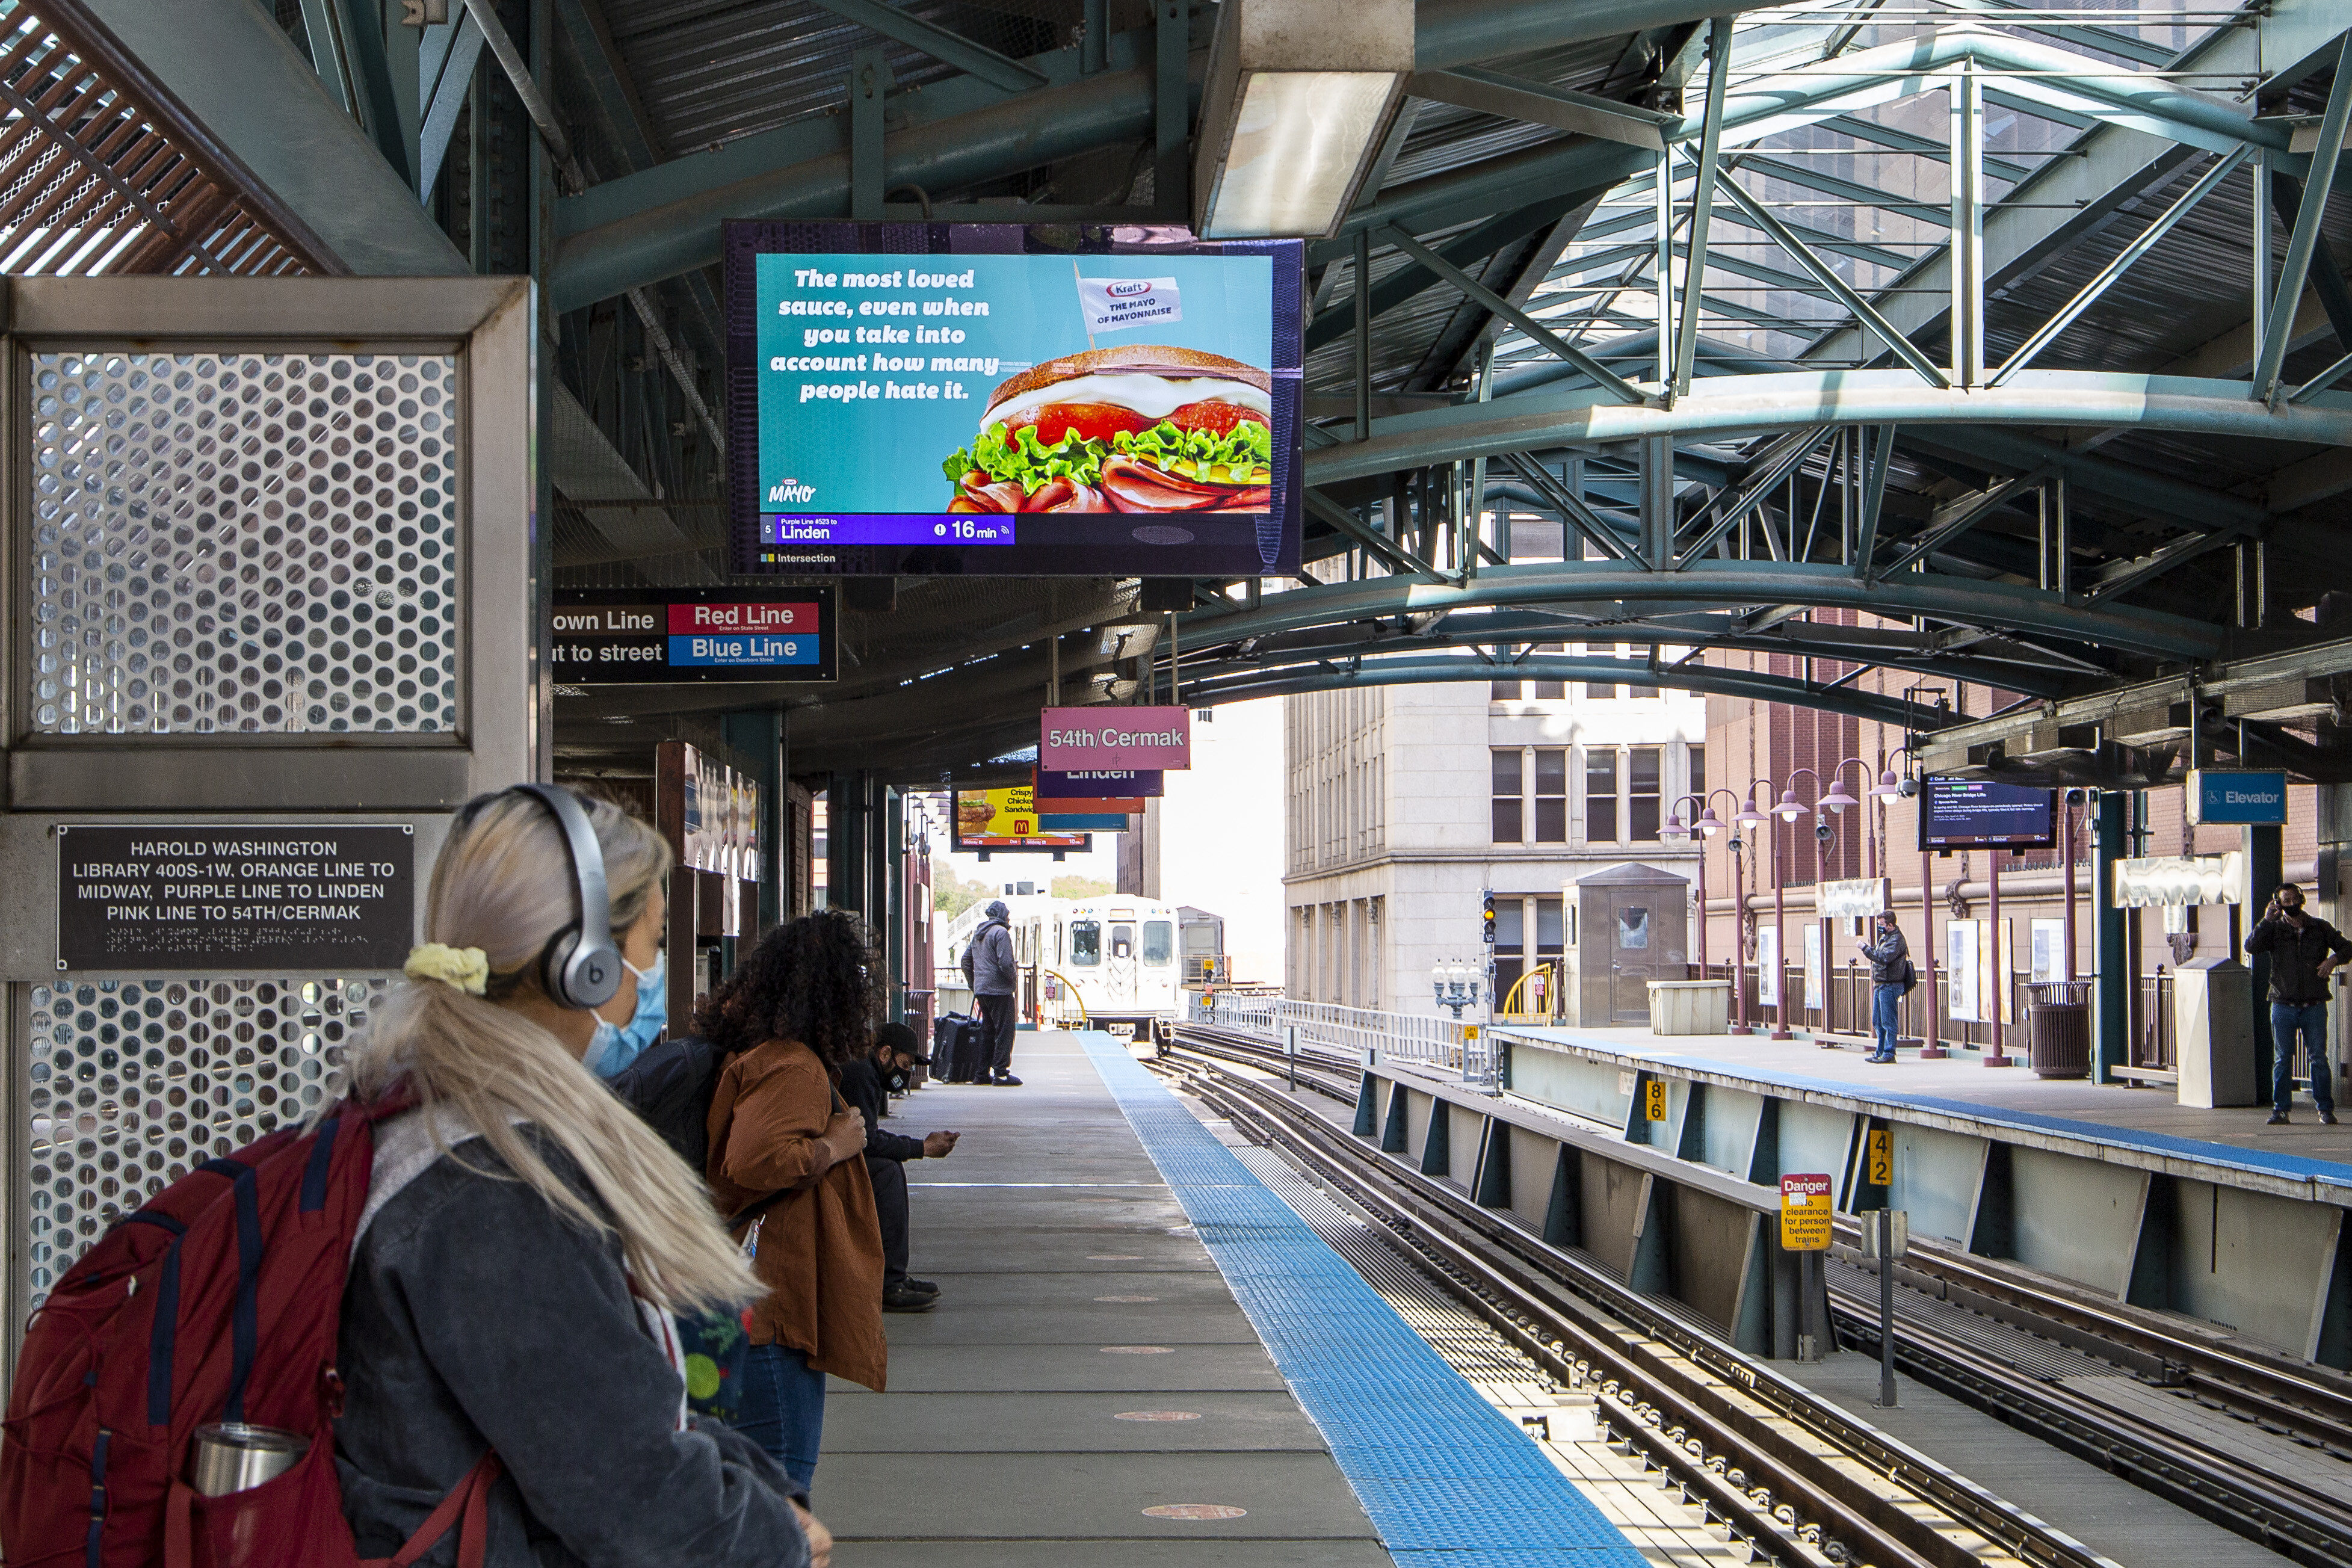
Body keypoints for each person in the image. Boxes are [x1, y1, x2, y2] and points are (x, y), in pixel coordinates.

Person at [335, 785, 830, 1568]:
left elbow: (611, 1404)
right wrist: (773, 1539)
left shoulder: (423, 1118)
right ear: (584, 965)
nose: (650, 976)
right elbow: (624, 1481)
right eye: (653, 942)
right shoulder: (492, 1184)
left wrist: (759, 1488)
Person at [700, 912, 889, 1490]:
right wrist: (832, 1146)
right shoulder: (792, 1066)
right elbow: (755, 1162)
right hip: (776, 1314)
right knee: (783, 1489)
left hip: (761, 1309)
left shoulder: (767, 1055)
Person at [842, 1022, 960, 1312]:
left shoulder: (866, 1069)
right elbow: (867, 1141)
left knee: (889, 1168)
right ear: (885, 1054)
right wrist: (922, 1148)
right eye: (905, 1065)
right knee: (887, 1172)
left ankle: (894, 1275)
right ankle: (888, 1284)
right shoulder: (861, 1073)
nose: (905, 1075)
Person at [2244, 881, 2352, 1125]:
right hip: (2283, 1003)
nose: (2291, 904)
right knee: (2283, 1058)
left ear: (2302, 899)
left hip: (2314, 1004)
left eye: (2294, 899)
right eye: (2286, 901)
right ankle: (2281, 1109)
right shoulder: (2274, 930)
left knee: (2318, 1057)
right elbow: (2251, 946)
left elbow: (2347, 947)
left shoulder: (2320, 927)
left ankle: (2325, 1108)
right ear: (2278, 903)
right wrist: (2266, 921)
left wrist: (2333, 960)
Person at [963, 898, 1023, 1085]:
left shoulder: (979, 934)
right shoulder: (1001, 933)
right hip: (999, 991)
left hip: (983, 991)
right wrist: (1013, 981)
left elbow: (965, 961)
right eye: (1008, 915)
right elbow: (1005, 963)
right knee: (1005, 1031)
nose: (1009, 919)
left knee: (987, 1031)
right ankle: (1001, 1073)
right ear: (1003, 916)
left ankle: (981, 1074)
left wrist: (975, 984)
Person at [1857, 912, 1910, 1065]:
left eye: (1881, 924)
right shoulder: (1885, 938)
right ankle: (1880, 1052)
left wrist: (1865, 948)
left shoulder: (1897, 940)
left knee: (1888, 1020)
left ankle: (1889, 1052)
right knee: (1878, 1021)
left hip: (1890, 984)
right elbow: (1879, 954)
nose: (1880, 927)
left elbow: (1883, 958)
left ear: (1890, 925)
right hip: (1881, 984)